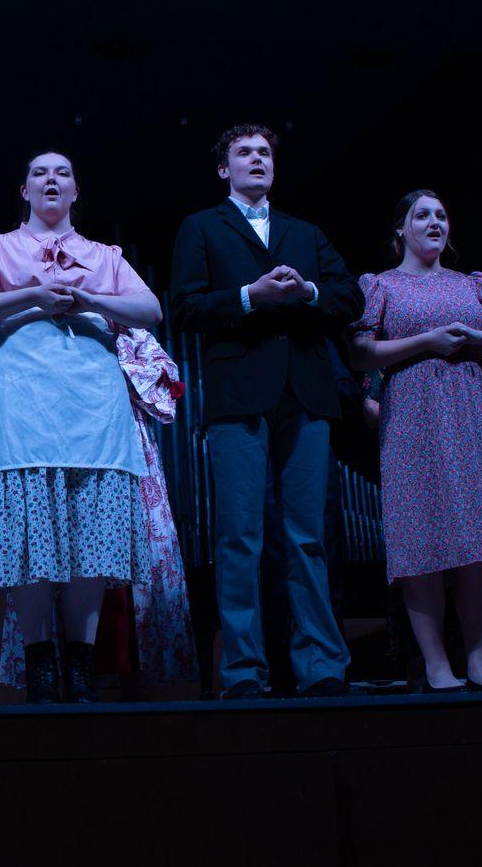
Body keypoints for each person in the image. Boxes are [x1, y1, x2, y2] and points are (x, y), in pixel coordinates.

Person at [0, 151, 163, 703]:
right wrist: (31, 295)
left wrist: (90, 298)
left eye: (63, 173)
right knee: (29, 535)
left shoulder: (104, 255)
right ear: (23, 189)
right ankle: (40, 666)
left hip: (92, 408)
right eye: (40, 173)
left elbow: (151, 309)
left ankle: (82, 661)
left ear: (76, 192)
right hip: (19, 405)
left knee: (89, 536)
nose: (52, 179)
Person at [169, 124, 364, 699]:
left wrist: (306, 292)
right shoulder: (202, 227)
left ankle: (323, 667)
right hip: (237, 397)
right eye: (244, 153)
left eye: (265, 153)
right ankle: (244, 673)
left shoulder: (305, 232)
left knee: (308, 538)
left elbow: (350, 296)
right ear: (224, 169)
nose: (258, 160)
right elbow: (183, 308)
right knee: (240, 537)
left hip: (304, 392)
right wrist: (253, 295)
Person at [351, 189, 482, 692]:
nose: (435, 222)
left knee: (479, 539)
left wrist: (480, 339)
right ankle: (435, 664)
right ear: (400, 229)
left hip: (470, 411)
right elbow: (360, 352)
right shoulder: (380, 285)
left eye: (441, 215)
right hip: (411, 412)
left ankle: (479, 661)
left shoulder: (470, 285)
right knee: (420, 536)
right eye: (422, 215)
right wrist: (426, 342)